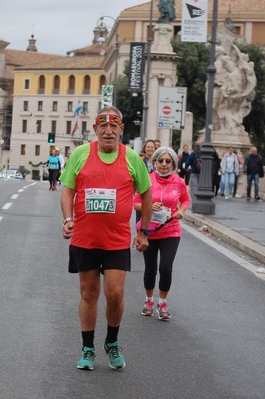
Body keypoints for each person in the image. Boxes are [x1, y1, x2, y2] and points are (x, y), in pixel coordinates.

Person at [60, 106, 152, 371]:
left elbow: (146, 196)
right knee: (88, 293)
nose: (108, 131)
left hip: (116, 241)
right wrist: (68, 220)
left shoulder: (132, 158)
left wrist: (143, 231)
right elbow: (67, 191)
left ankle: (112, 342)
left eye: (114, 126)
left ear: (121, 129)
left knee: (115, 293)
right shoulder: (81, 154)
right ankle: (87, 349)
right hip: (85, 239)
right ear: (95, 128)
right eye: (103, 125)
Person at [133, 147, 190, 320]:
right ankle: (148, 300)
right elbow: (135, 203)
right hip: (149, 230)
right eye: (161, 160)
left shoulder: (179, 182)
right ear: (154, 162)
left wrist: (181, 210)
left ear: (173, 163)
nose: (164, 164)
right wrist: (147, 206)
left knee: (165, 268)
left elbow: (186, 199)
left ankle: (162, 303)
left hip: (171, 230)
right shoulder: (147, 180)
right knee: (150, 269)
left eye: (168, 161)